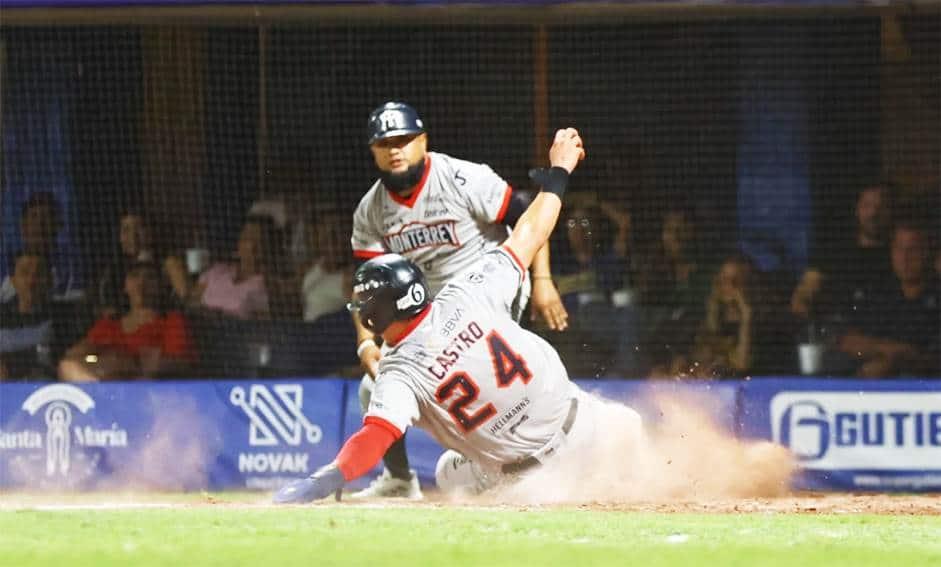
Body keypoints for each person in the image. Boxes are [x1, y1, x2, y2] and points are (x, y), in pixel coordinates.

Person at [272, 128, 642, 504]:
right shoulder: (468, 290)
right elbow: (530, 228)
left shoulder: (398, 374)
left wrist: (324, 480)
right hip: (593, 429)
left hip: (537, 484)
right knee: (631, 427)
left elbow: (373, 438)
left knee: (448, 472)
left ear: (374, 318)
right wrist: (560, 171)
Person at [347, 102, 569, 499]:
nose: (395, 149)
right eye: (385, 143)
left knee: (487, 371)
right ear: (372, 151)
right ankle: (400, 481)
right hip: (428, 313)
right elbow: (365, 285)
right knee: (371, 388)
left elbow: (527, 220)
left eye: (404, 140)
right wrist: (366, 341)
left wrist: (543, 279)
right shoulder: (370, 210)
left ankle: (539, 446)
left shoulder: (462, 177)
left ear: (424, 140)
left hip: (488, 289)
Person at [58, 262, 194, 381]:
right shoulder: (109, 324)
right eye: (135, 275)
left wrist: (131, 361)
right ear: (125, 286)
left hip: (150, 388)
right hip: (104, 382)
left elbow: (182, 363)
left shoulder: (172, 321)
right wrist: (99, 358)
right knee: (67, 366)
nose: (142, 283)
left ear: (161, 286)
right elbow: (74, 354)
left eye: (150, 277)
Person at [836, 224, 939, 377]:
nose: (904, 258)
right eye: (899, 249)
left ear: (928, 252)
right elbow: (847, 341)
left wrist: (896, 363)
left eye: (913, 250)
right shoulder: (878, 292)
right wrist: (890, 350)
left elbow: (933, 359)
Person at [95, 210, 190, 316]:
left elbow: (185, 297)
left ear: (151, 233)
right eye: (126, 230)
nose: (132, 236)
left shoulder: (168, 263)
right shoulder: (113, 270)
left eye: (139, 228)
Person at [191, 215, 278, 320]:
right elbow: (191, 302)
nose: (252, 244)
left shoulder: (264, 286)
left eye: (258, 239)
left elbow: (264, 325)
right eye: (247, 237)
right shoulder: (216, 271)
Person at [0, 192, 82, 302]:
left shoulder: (71, 265)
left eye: (47, 216)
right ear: (23, 227)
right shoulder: (6, 265)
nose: (40, 223)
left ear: (57, 226)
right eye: (34, 216)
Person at [0, 253, 58, 380]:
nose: (31, 281)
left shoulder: (61, 315)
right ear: (13, 280)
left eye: (38, 275)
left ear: (49, 280)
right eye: (24, 273)